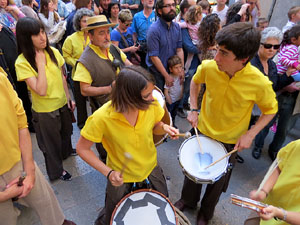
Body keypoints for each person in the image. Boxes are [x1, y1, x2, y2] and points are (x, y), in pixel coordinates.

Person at [174, 22, 278, 225]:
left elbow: (271, 110)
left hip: (230, 141)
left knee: (217, 181)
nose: (216, 57)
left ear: (243, 59)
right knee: (193, 173)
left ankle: (206, 212)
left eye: (223, 53)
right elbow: (195, 82)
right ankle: (188, 200)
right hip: (202, 130)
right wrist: (194, 108)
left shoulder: (259, 82)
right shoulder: (209, 67)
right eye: (217, 50)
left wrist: (251, 133)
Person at [76, 66, 179, 225]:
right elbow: (82, 149)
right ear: (129, 97)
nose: (153, 98)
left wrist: (164, 127)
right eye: (146, 95)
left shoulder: (150, 106)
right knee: (113, 213)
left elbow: (155, 125)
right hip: (120, 174)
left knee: (162, 203)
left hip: (150, 166)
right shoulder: (102, 117)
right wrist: (109, 173)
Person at [0, 71, 76, 225]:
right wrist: (3, 196)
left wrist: (29, 170)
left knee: (52, 214)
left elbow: (21, 122)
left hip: (19, 163)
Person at [15, 17, 75, 181]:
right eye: (36, 34)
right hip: (45, 110)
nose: (43, 37)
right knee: (50, 145)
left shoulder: (54, 52)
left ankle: (67, 153)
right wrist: (40, 63)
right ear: (26, 39)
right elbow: (40, 90)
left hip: (62, 103)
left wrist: (69, 98)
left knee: (66, 133)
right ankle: (57, 172)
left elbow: (62, 77)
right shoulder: (22, 62)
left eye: (43, 32)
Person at [73, 15, 131, 162]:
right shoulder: (85, 60)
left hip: (124, 106)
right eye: (101, 33)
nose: (107, 37)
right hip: (105, 112)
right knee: (110, 151)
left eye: (107, 31)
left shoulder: (112, 48)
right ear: (90, 36)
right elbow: (84, 90)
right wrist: (109, 89)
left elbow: (129, 65)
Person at [250, 27, 294, 160]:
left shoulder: (272, 65)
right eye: (268, 46)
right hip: (247, 107)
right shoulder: (251, 62)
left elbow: (274, 85)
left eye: (276, 47)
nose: (272, 50)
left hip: (259, 110)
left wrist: (288, 75)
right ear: (260, 44)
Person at [244, 139, 300, 225]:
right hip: (267, 207)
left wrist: (281, 214)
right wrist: (264, 191)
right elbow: (279, 167)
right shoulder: (297, 145)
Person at [62, 8, 94, 129]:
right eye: (84, 21)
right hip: (78, 74)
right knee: (80, 102)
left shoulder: (94, 36)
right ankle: (82, 124)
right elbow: (65, 55)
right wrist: (77, 63)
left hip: (94, 74)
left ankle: (96, 122)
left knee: (95, 100)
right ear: (78, 22)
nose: (86, 23)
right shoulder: (71, 38)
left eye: (88, 20)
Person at [146, 0, 184, 91]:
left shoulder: (177, 27)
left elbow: (179, 49)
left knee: (173, 98)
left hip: (173, 71)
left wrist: (181, 69)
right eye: (167, 6)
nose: (172, 8)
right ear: (159, 11)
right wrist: (166, 76)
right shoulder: (153, 30)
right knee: (160, 101)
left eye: (173, 5)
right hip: (157, 74)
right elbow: (154, 57)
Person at [178, 5, 202, 74]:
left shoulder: (187, 24)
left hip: (194, 43)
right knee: (202, 59)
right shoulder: (200, 24)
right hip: (199, 43)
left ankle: (185, 71)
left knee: (189, 59)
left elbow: (178, 25)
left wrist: (176, 21)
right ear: (198, 15)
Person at [131, 0, 156, 68]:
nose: (151, 0)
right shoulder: (137, 16)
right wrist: (135, 51)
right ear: (142, 1)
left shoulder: (158, 15)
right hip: (142, 50)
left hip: (155, 49)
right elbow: (134, 34)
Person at [164, 55, 183, 127]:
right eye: (176, 68)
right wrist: (169, 101)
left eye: (180, 67)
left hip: (177, 100)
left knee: (174, 114)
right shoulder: (169, 78)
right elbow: (166, 91)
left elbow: (181, 85)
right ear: (171, 69)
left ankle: (173, 124)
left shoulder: (180, 76)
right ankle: (169, 126)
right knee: (170, 115)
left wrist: (181, 95)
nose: (179, 70)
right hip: (171, 102)